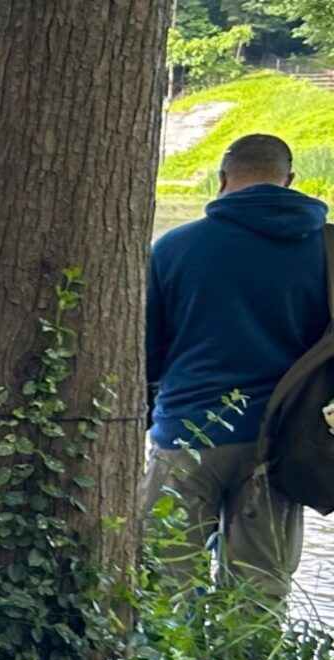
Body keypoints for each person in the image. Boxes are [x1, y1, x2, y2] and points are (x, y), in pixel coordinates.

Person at [145, 132, 329, 599]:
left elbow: (147, 353)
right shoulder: (328, 251)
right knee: (259, 594)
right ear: (289, 180)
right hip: (279, 440)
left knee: (164, 588)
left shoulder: (174, 248)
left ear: (222, 178)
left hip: (185, 433)